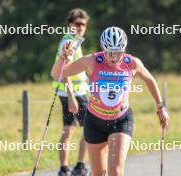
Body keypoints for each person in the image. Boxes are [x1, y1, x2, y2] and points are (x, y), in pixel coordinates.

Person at [51, 26, 169, 176]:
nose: (113, 57)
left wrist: (161, 107)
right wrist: (62, 58)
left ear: (124, 49)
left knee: (116, 171)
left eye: (118, 52)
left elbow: (150, 80)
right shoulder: (92, 61)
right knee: (98, 173)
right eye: (109, 52)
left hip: (120, 121)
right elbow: (57, 74)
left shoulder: (132, 63)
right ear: (103, 49)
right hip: (94, 122)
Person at [52, 8, 90, 176]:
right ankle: (79, 167)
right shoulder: (70, 42)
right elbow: (65, 71)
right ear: (70, 25)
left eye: (84, 24)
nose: (81, 27)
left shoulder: (72, 40)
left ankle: (64, 169)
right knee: (90, 128)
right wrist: (72, 97)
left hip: (72, 92)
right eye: (78, 24)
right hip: (73, 93)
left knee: (68, 129)